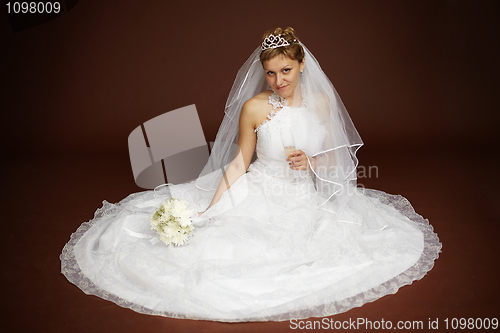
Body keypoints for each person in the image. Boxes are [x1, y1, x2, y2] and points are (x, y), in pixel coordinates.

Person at [61, 27, 441, 322]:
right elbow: (240, 161)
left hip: (304, 198)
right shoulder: (255, 107)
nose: (279, 81)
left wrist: (310, 163)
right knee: (224, 248)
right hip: (260, 188)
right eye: (271, 73)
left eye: (287, 70)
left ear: (303, 64)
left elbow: (334, 162)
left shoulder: (321, 104)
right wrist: (210, 207)